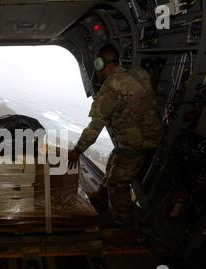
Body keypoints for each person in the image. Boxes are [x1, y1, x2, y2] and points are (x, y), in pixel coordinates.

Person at [68, 44, 164, 246]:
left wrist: (77, 151)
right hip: (148, 136)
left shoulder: (111, 87)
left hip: (136, 142)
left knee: (118, 183)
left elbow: (95, 127)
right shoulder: (139, 74)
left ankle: (126, 229)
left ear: (100, 63)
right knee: (114, 160)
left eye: (97, 63)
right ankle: (103, 195)